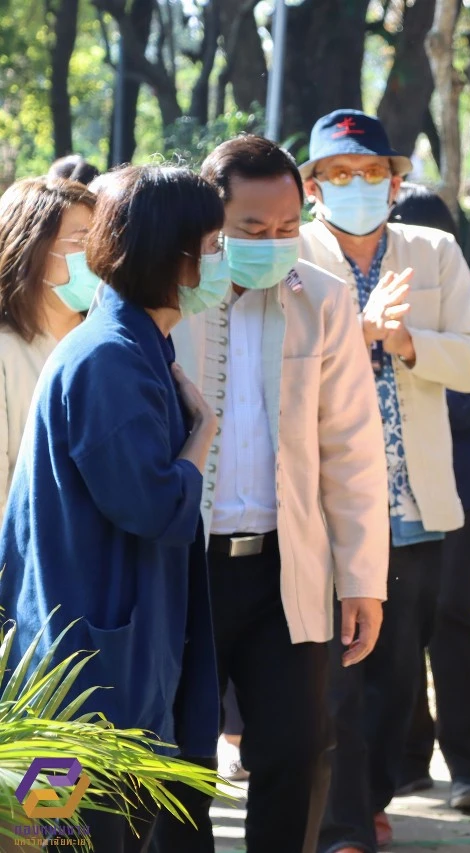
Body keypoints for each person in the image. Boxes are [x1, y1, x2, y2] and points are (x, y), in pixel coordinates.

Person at [156, 134, 390, 853]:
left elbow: (351, 446)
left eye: (288, 227)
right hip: (185, 570)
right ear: (209, 223)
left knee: (294, 751)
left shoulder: (322, 297)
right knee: (181, 761)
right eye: (252, 230)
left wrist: (362, 580)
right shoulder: (168, 299)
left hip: (287, 567)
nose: (273, 242)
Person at [0, 165, 226, 852]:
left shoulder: (133, 345)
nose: (222, 260)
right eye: (213, 244)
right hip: (82, 682)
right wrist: (202, 437)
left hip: (108, 665)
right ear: (174, 254)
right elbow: (154, 504)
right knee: (65, 840)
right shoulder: (111, 358)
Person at [297, 109, 470, 853]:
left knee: (394, 680)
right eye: (338, 175)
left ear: (396, 180)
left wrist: (406, 340)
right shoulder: (291, 253)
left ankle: (372, 794)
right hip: (322, 510)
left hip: (414, 508)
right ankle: (346, 826)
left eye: (371, 173)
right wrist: (357, 333)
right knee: (334, 681)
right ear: (313, 187)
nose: (357, 187)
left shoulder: (434, 252)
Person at [390, 184, 470, 811]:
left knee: (451, 621)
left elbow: (463, 402)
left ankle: (466, 768)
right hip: (397, 494)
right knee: (398, 623)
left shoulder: (466, 303)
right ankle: (409, 763)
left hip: (466, 491)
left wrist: (409, 356)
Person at [0, 177, 100, 514]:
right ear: (31, 246)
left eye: (102, 241)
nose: (97, 255)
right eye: (81, 241)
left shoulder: (108, 342)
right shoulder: (6, 351)